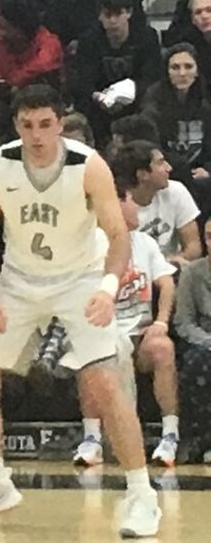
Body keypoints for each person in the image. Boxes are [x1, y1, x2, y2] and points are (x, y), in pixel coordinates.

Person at [0, 85, 161, 539]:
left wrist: (107, 287)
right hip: (20, 281)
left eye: (45, 124)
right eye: (27, 125)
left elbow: (119, 236)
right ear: (16, 126)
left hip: (80, 279)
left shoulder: (89, 166)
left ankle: (142, 494)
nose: (37, 135)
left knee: (103, 381)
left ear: (60, 124)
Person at [68, 189, 179, 468]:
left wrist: (161, 322)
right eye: (132, 204)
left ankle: (170, 435)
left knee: (163, 348)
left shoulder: (145, 243)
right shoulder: (90, 246)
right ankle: (92, 439)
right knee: (87, 350)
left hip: (141, 334)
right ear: (114, 207)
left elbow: (166, 283)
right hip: (106, 330)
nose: (138, 210)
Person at [68, 0, 162, 144]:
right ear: (99, 16)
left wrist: (128, 96)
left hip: (137, 104)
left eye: (118, 14)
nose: (113, 21)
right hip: (99, 107)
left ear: (129, 13)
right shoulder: (89, 41)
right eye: (107, 15)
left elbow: (151, 77)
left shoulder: (146, 37)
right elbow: (84, 81)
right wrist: (99, 97)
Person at [114, 140, 204, 267]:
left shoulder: (176, 191)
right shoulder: (118, 205)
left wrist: (169, 263)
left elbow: (194, 247)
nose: (169, 168)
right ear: (143, 174)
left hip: (172, 269)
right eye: (161, 163)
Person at [142, 44, 211, 200]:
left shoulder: (206, 101)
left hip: (201, 174)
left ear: (197, 71)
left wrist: (208, 169)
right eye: (175, 67)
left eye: (188, 67)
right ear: (167, 72)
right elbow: (151, 148)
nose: (182, 73)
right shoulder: (153, 104)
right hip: (168, 174)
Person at [175, 221, 211, 463]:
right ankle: (203, 439)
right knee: (198, 361)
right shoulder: (192, 273)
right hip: (203, 343)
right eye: (209, 236)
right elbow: (183, 323)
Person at [0, 0, 63, 93]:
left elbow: (44, 64)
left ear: (21, 31)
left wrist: (16, 82)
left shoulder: (49, 43)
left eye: (4, 29)